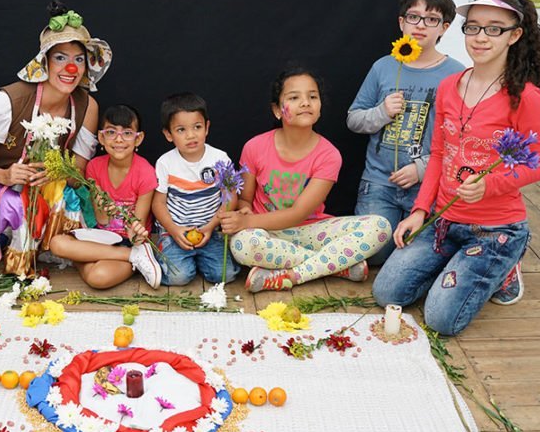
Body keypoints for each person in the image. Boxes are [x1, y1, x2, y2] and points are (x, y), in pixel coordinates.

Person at [372, 0, 540, 335]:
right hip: (444, 220)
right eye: (473, 28)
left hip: (494, 228)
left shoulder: (525, 96)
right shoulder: (448, 87)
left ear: (515, 35)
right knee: (387, 293)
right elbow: (440, 155)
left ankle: (506, 262)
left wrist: (490, 184)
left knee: (441, 320)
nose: (481, 37)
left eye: (494, 29)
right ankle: (459, 265)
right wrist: (419, 211)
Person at [0, 0, 112, 277]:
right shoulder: (5, 102)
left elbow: (78, 171)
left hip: (50, 190)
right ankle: (15, 253)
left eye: (78, 59)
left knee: (66, 201)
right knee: (15, 205)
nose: (71, 68)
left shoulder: (87, 106)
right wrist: (3, 175)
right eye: (60, 58)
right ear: (44, 62)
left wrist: (58, 173)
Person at [218, 69, 391, 292]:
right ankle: (336, 266)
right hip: (267, 232)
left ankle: (294, 275)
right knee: (241, 245)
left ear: (319, 106)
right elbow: (246, 198)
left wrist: (245, 223)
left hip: (312, 231)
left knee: (380, 226)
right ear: (277, 110)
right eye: (294, 97)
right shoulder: (255, 147)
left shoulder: (328, 155)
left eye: (312, 96)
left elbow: (299, 213)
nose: (305, 103)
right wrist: (243, 212)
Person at [348, 0, 465, 266]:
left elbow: (463, 139)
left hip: (428, 187)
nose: (420, 25)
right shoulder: (383, 67)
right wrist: (382, 112)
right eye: (413, 17)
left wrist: (422, 168)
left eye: (431, 19)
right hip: (379, 184)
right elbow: (353, 119)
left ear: (444, 28)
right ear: (401, 23)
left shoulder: (456, 74)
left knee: (420, 255)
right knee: (375, 256)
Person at [48, 104, 161, 289]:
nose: (119, 139)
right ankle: (132, 259)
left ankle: (95, 258)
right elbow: (101, 220)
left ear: (138, 138)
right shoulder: (94, 167)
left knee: (97, 277)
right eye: (111, 132)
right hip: (101, 238)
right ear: (101, 137)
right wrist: (104, 208)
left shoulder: (145, 173)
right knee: (57, 243)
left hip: (129, 243)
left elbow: (137, 230)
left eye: (127, 133)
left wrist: (134, 235)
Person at [152, 92, 240, 286]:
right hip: (176, 232)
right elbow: (158, 203)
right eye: (181, 130)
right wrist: (174, 230)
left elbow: (230, 197)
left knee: (225, 275)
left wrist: (209, 228)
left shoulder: (220, 159)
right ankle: (165, 252)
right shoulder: (165, 163)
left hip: (210, 229)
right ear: (168, 134)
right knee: (178, 277)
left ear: (207, 127)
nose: (191, 135)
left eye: (197, 127)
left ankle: (201, 258)